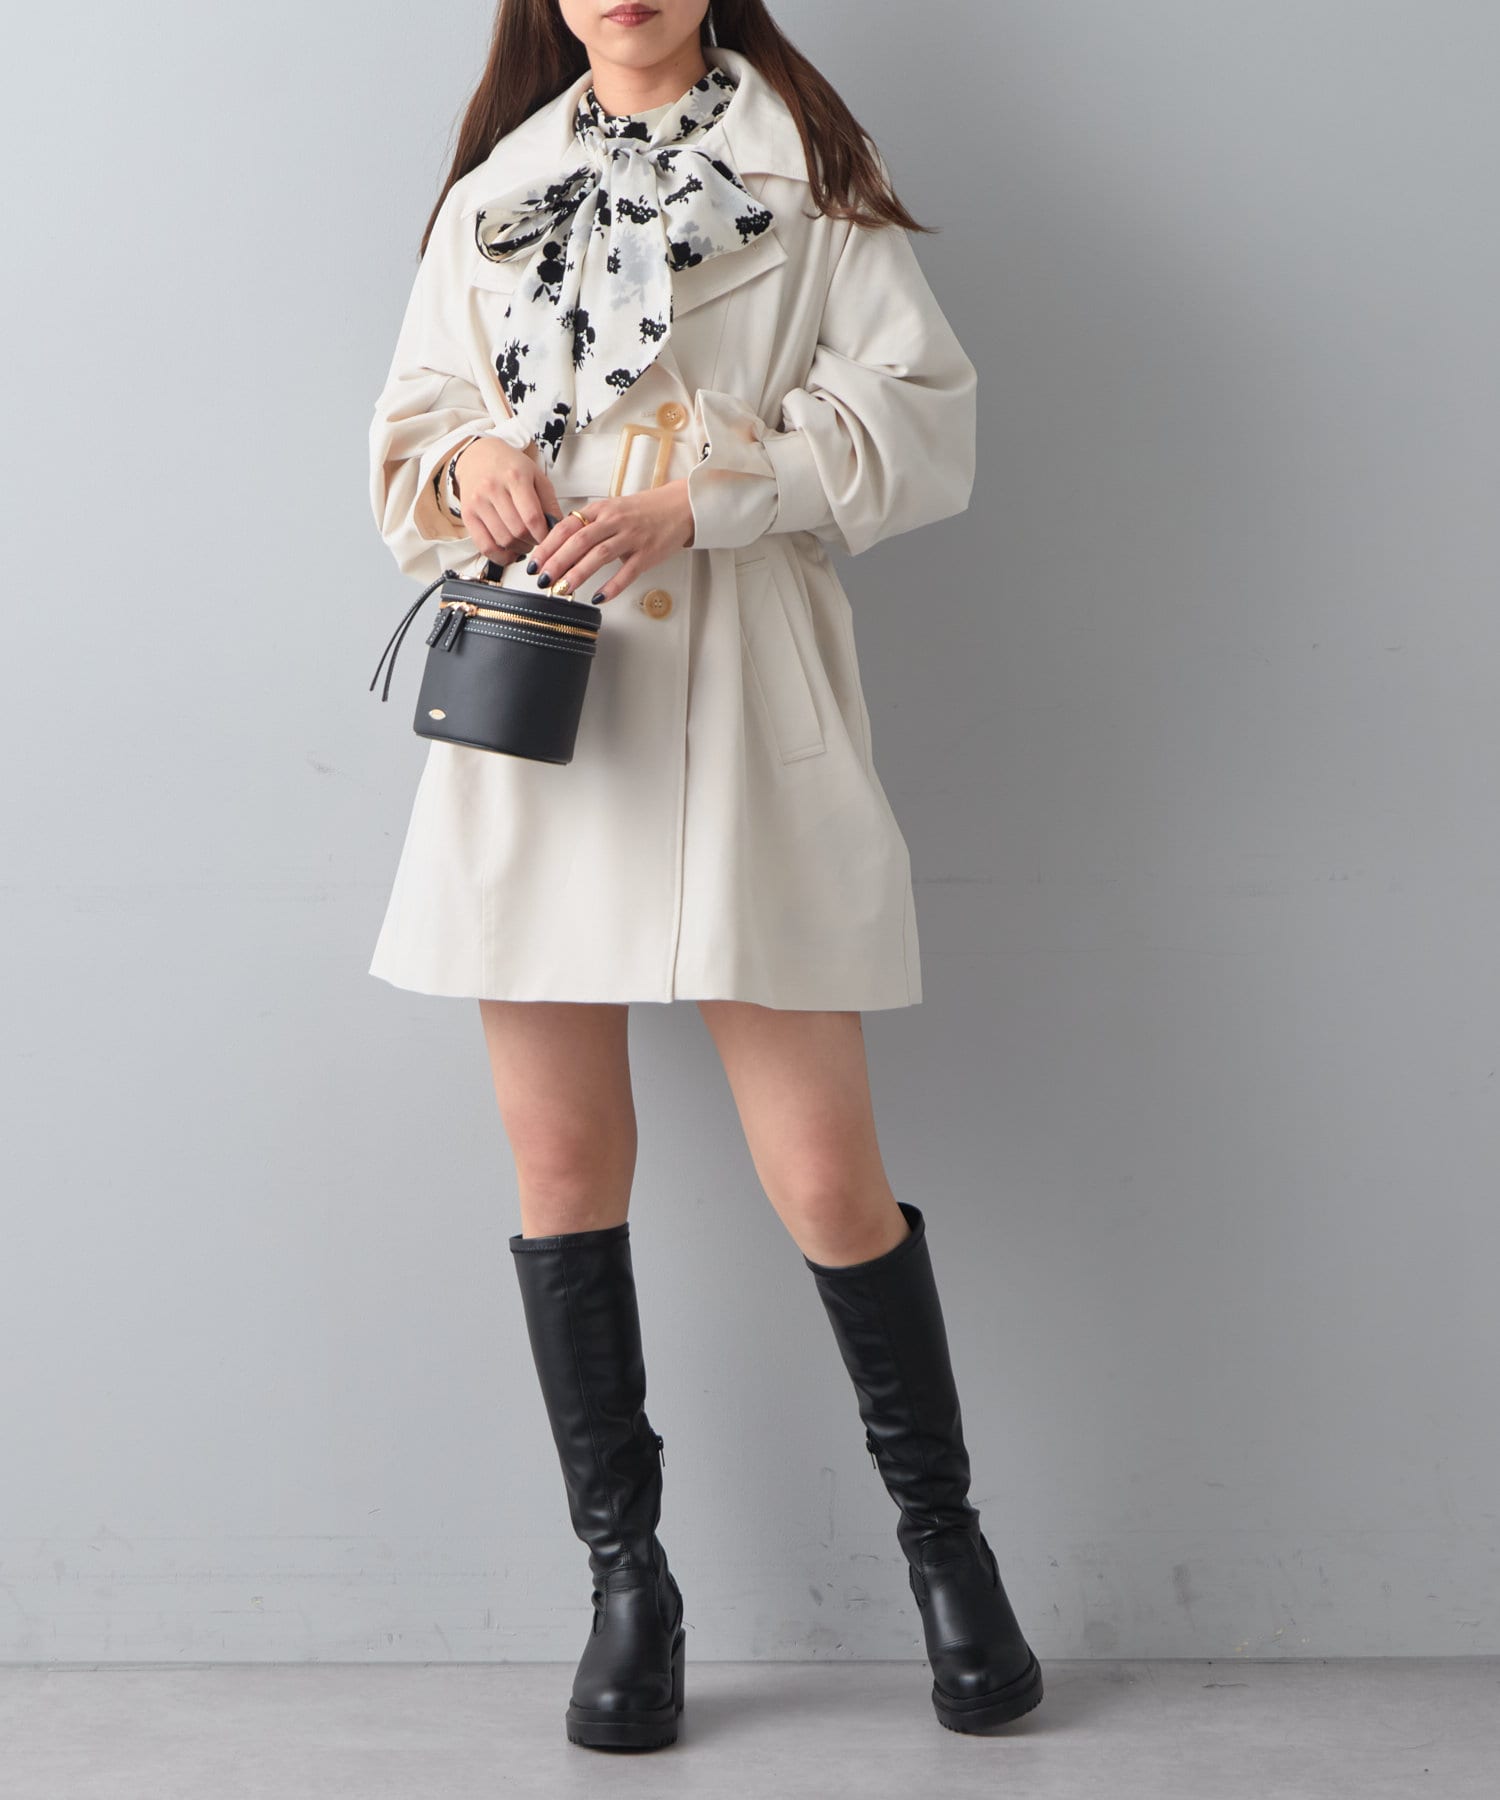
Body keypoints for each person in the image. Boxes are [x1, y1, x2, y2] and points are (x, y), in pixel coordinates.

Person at [366, 0, 1042, 1752]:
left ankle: (947, 1553)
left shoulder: (811, 174)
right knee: (561, 1171)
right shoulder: (495, 193)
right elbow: (412, 426)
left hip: (745, 704)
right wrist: (471, 457)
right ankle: (628, 1587)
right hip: (543, 710)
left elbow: (923, 424)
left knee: (826, 1179)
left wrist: (706, 495)